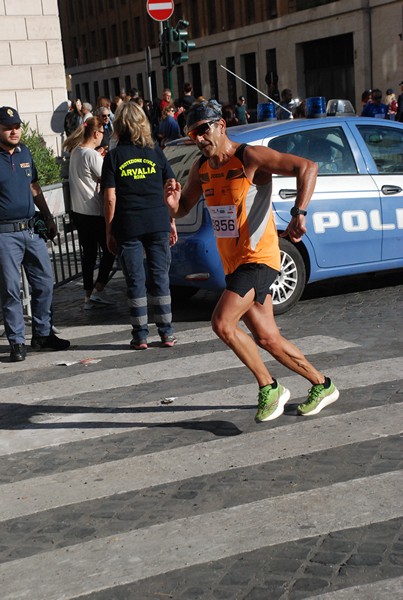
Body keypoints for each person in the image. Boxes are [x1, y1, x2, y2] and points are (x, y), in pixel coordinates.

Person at [164, 100, 339, 422]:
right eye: (193, 134)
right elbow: (182, 209)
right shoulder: (202, 169)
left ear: (220, 126)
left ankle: (269, 386)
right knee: (267, 337)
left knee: (222, 323)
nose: (199, 139)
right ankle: (322, 384)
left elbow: (307, 167)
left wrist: (299, 213)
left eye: (203, 130)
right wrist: (172, 203)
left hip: (259, 258)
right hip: (235, 264)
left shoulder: (249, 157)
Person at [101, 101, 178, 350]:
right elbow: (171, 189)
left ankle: (141, 335)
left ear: (119, 126)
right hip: (157, 221)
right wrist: (172, 221)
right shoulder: (156, 152)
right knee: (160, 278)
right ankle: (166, 333)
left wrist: (109, 231)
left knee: (135, 280)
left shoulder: (113, 157)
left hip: (128, 223)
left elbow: (110, 198)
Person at [0, 106, 70, 362]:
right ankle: (17, 342)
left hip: (31, 230)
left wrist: (49, 216)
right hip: (4, 234)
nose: (14, 131)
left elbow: (33, 185)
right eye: (8, 127)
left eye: (17, 126)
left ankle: (42, 333)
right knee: (10, 290)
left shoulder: (25, 152)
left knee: (44, 283)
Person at [63, 117, 116, 310]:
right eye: (102, 132)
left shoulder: (76, 151)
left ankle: (87, 295)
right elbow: (107, 177)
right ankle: (98, 289)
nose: (104, 135)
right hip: (94, 211)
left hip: (79, 211)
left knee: (89, 254)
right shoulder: (91, 155)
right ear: (96, 134)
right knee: (110, 250)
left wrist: (98, 155)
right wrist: (101, 157)